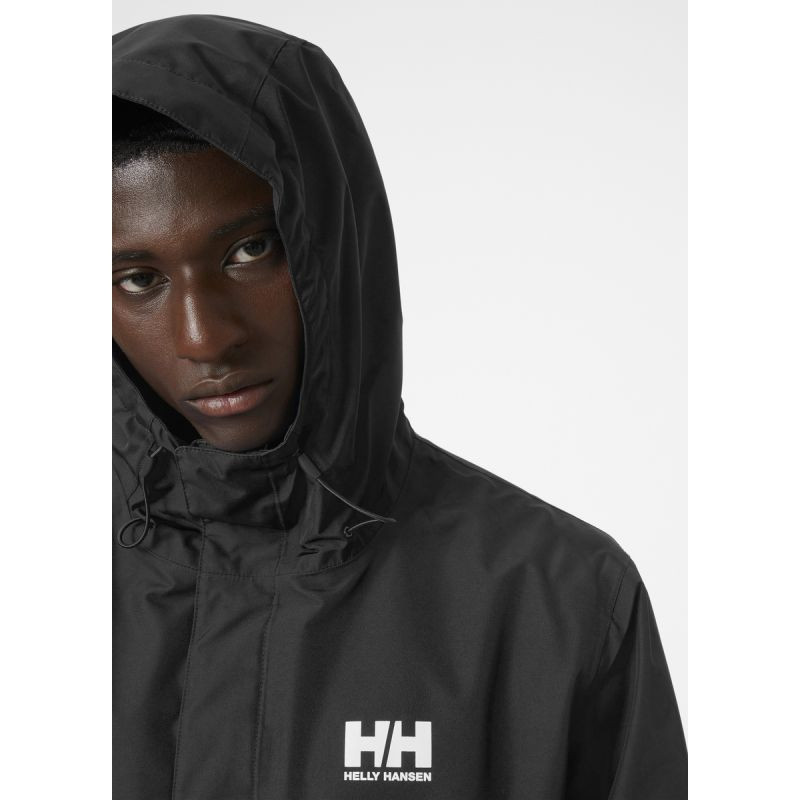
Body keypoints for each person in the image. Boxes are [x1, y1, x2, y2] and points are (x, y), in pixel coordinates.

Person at [113, 14, 687, 800]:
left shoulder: (555, 598)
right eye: (138, 279)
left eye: (251, 249)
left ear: (332, 239)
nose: (206, 338)